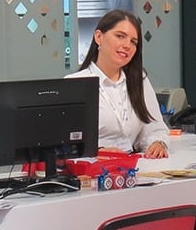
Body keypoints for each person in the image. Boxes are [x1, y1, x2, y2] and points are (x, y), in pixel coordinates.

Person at [69, 9, 170, 158]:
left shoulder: (138, 80)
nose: (127, 45)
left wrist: (158, 143)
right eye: (120, 36)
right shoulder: (75, 84)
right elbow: (66, 145)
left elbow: (155, 127)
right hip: (93, 166)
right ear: (98, 37)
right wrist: (99, 151)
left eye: (133, 42)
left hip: (131, 165)